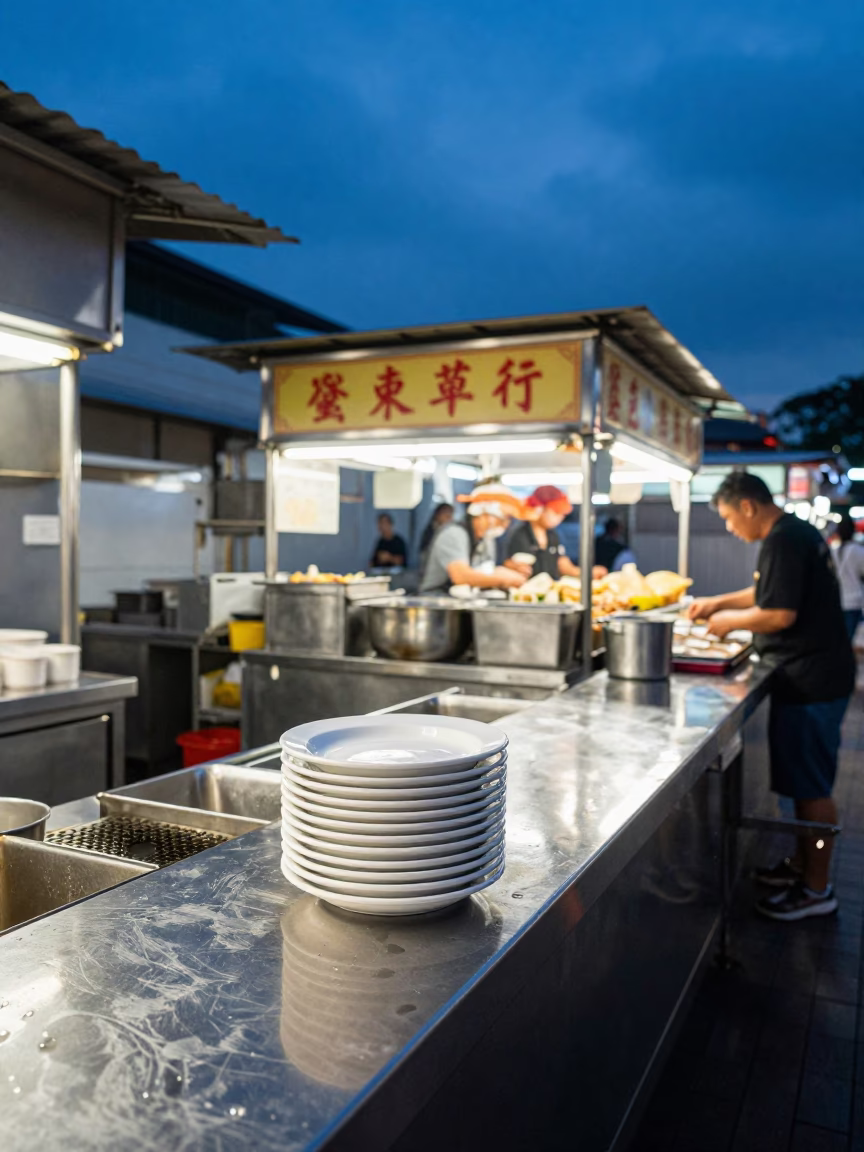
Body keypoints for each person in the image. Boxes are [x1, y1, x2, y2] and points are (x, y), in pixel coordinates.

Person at [687, 471, 855, 921]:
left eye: (727, 518)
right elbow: (768, 592)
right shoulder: (793, 532)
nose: (729, 529)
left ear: (747, 506)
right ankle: (803, 865)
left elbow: (779, 613)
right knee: (805, 783)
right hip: (816, 675)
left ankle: (817, 889)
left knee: (813, 788)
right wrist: (720, 603)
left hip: (811, 680)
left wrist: (728, 623)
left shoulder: (784, 538)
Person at [418, 483, 527, 594]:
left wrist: (507, 570)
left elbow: (484, 572)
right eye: (504, 518)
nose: (506, 525)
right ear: (485, 513)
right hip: (438, 603)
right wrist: (503, 579)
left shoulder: (486, 539)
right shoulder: (454, 534)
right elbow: (460, 576)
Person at [504, 486, 608, 579]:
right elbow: (505, 563)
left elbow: (562, 563)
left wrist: (585, 573)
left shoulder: (553, 535)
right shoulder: (519, 534)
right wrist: (513, 567)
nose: (560, 518)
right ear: (539, 509)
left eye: (562, 515)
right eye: (556, 513)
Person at [831, 516, 864, 641]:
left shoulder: (833, 551)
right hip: (854, 600)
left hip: (837, 599)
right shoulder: (858, 551)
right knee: (848, 638)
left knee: (839, 637)